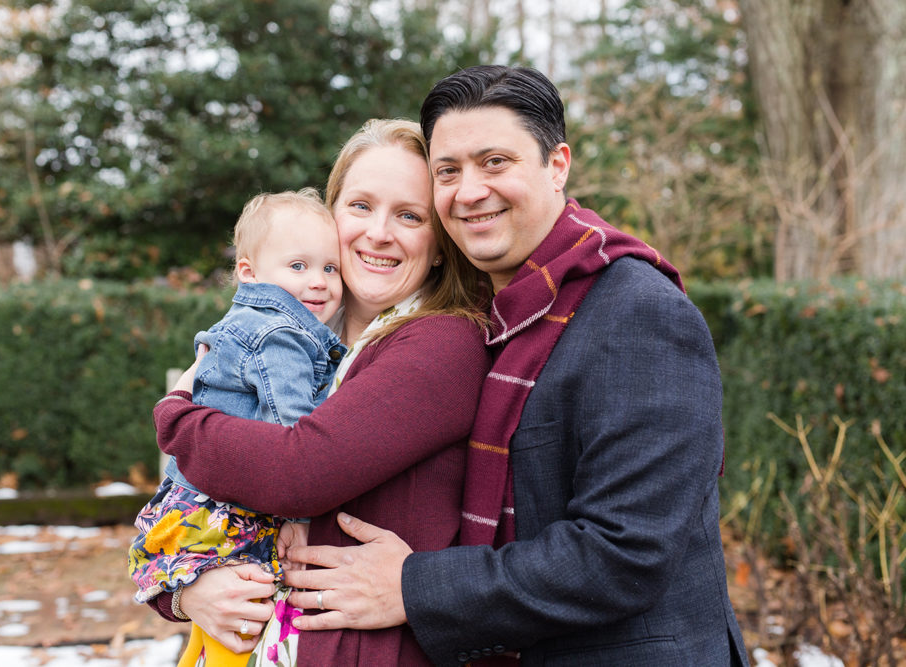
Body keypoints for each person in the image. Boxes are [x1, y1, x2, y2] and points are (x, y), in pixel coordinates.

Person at [280, 65, 751, 666]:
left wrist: (413, 585)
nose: (470, 190)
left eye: (495, 161)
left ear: (557, 166)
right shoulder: (489, 315)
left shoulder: (639, 313)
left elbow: (625, 554)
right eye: (448, 171)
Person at [148, 118, 492, 665]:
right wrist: (187, 592)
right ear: (329, 217)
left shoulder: (442, 343)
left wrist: (176, 418)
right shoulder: (294, 342)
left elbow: (296, 471)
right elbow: (184, 496)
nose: (379, 232)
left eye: (408, 215)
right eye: (360, 206)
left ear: (439, 244)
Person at [128, 188, 346, 666]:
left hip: (202, 502)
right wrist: (303, 518)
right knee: (241, 628)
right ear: (248, 271)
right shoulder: (282, 335)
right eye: (298, 266)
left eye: (330, 268)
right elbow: (296, 439)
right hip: (228, 514)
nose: (319, 282)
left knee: (215, 639)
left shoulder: (252, 321)